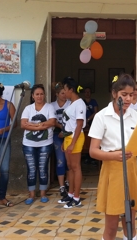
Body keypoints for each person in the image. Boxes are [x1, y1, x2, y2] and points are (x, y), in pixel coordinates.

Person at [88, 74, 137, 240]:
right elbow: (93, 151)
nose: (128, 99)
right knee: (111, 224)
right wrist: (113, 156)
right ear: (114, 94)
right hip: (113, 170)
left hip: (131, 168)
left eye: (131, 95)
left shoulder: (134, 115)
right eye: (124, 95)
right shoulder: (101, 116)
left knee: (130, 220)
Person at [21, 84, 56, 205]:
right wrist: (41, 125)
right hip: (28, 144)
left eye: (41, 94)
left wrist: (32, 125)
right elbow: (23, 124)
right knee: (31, 169)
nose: (39, 96)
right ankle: (31, 194)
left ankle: (43, 193)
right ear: (32, 96)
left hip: (45, 143)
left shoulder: (49, 107)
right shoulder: (28, 108)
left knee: (42, 168)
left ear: (44, 95)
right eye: (37, 94)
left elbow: (52, 122)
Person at [57, 77, 86, 209]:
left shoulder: (80, 103)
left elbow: (79, 125)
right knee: (70, 166)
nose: (64, 92)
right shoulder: (71, 103)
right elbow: (69, 123)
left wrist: (73, 143)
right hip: (68, 137)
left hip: (76, 137)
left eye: (65, 89)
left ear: (71, 90)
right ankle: (70, 194)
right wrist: (65, 141)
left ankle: (76, 197)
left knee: (76, 166)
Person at [51, 82, 71, 197]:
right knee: (60, 160)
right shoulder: (51, 106)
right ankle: (61, 186)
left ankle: (68, 181)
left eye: (65, 93)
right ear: (57, 94)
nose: (64, 95)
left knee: (69, 159)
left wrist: (65, 131)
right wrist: (60, 128)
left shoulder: (70, 104)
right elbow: (52, 120)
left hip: (69, 133)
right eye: (62, 93)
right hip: (57, 133)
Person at [82, 87, 98, 165]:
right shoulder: (81, 102)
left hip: (92, 122)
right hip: (83, 122)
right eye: (86, 92)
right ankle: (86, 157)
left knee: (91, 138)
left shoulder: (93, 101)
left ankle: (92, 157)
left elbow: (96, 112)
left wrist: (88, 120)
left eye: (89, 92)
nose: (87, 93)